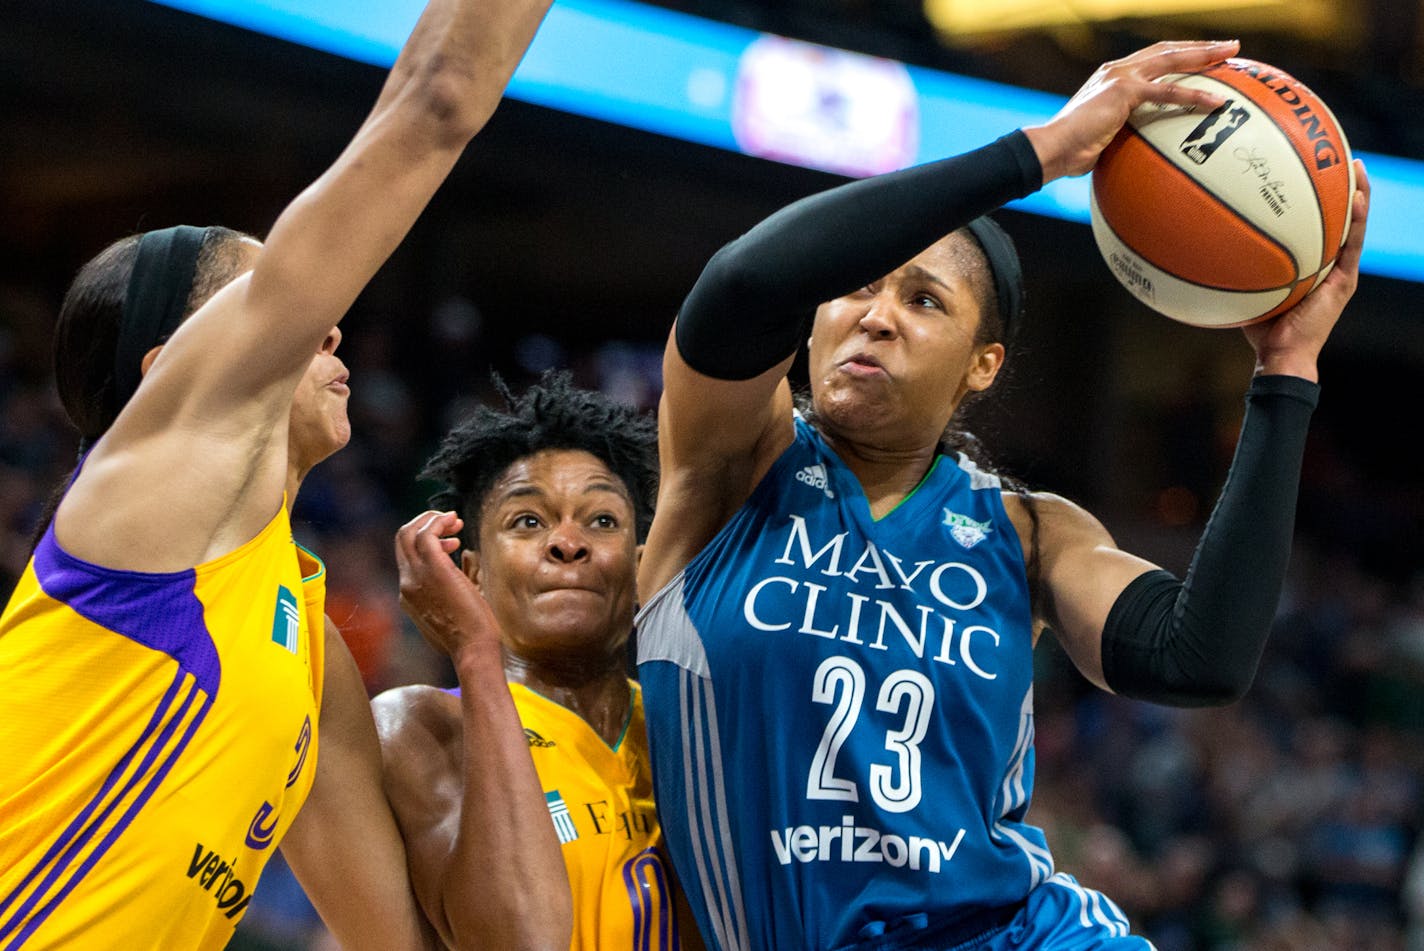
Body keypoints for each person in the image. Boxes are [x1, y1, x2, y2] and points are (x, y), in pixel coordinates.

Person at [633, 39, 1372, 951]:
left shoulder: (1026, 532)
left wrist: (1285, 372)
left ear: (983, 366)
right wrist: (1039, 154)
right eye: (857, 286)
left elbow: (1197, 659)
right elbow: (743, 283)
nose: (877, 313)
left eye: (925, 300)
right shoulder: (732, 465)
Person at [0, 0, 553, 946]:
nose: (329, 322)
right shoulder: (143, 488)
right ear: (171, 367)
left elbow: (396, 939)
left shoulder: (304, 644)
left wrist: (481, 663)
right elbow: (436, 101)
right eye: (278, 305)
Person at [372, 372, 691, 950]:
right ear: (470, 574)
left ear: (643, 566)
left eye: (602, 520)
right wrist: (475, 653)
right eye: (528, 521)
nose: (568, 543)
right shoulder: (422, 726)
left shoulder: (689, 727)